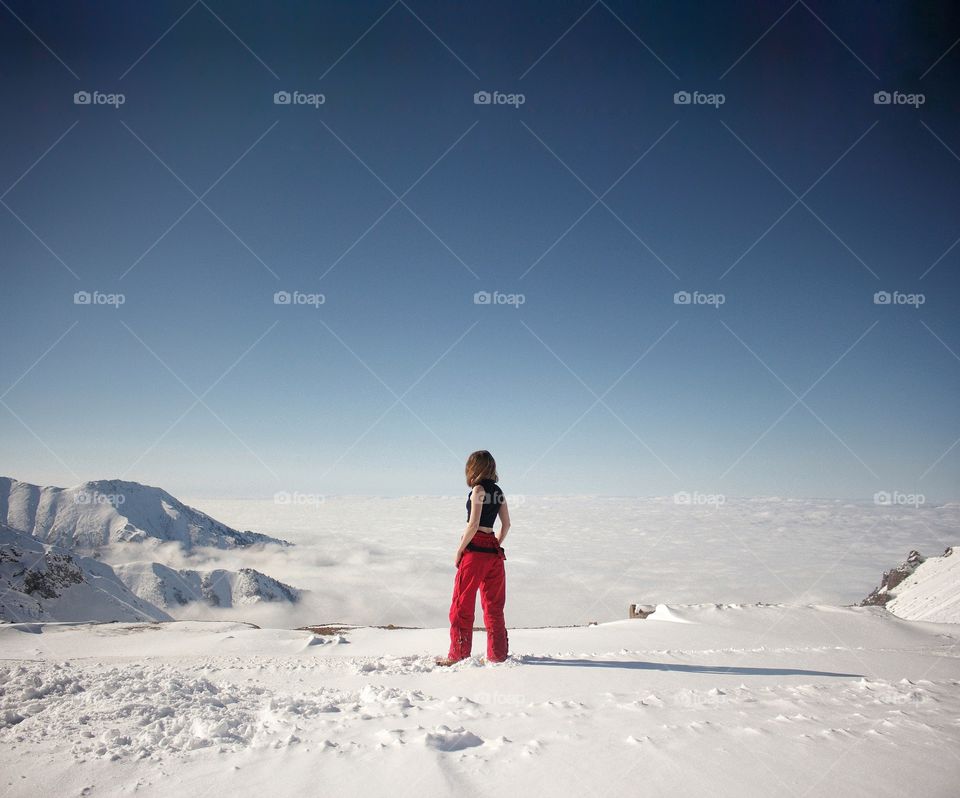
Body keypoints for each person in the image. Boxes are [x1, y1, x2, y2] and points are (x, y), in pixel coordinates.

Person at [436, 450, 511, 665]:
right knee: (494, 607)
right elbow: (506, 525)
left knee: (462, 604)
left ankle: (458, 654)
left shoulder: (477, 489)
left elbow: (474, 524)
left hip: (475, 551)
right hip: (494, 554)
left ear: (473, 468)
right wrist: (495, 543)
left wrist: (460, 549)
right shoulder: (499, 492)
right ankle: (498, 655)